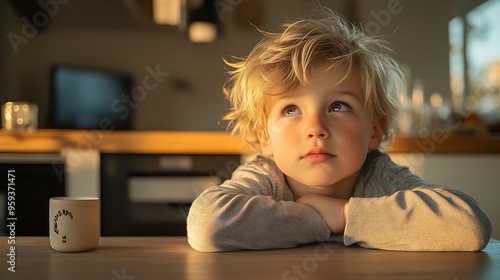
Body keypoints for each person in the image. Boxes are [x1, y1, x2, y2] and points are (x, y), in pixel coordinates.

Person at [186, 6, 492, 252]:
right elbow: (207, 224)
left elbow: (469, 225)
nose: (316, 128)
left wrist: (342, 214)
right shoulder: (266, 177)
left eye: (338, 106)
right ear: (265, 138)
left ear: (375, 131)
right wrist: (315, 218)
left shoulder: (378, 174)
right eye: (291, 110)